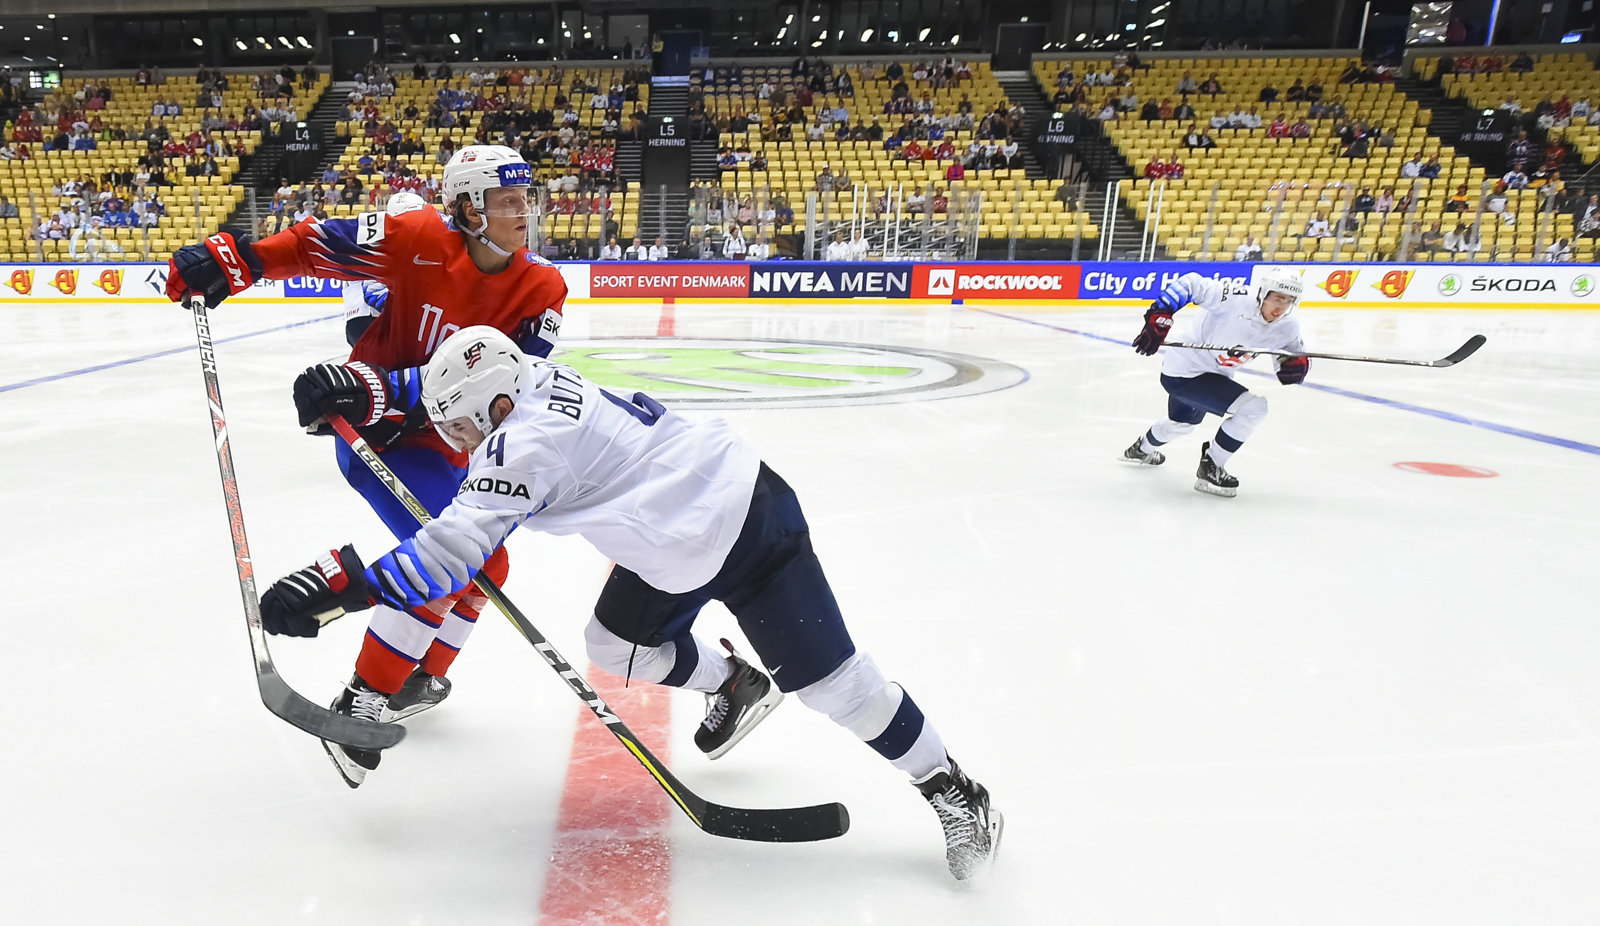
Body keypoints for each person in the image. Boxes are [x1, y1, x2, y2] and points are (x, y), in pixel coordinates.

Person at [255, 325, 1003, 880]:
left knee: (837, 688)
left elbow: (451, 555)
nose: (451, 440)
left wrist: (338, 583)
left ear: (499, 409)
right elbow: (451, 381)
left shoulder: (524, 445)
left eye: (459, 427)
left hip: (748, 527)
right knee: (617, 647)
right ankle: (735, 682)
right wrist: (372, 391)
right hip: (680, 537)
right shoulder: (529, 377)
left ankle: (953, 787)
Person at [163, 146, 569, 742]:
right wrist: (240, 260)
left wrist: (379, 384)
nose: (523, 213)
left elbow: (512, 389)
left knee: (490, 562)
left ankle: (419, 679)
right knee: (456, 559)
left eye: (524, 200)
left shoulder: (541, 287)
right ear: (467, 208)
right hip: (379, 434)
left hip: (445, 437)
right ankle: (365, 694)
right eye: (507, 201)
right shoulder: (418, 235)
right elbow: (318, 243)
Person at [1120, 268, 1309, 498]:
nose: (1281, 306)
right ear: (1264, 292)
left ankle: (1140, 450)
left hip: (1214, 376)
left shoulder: (1288, 326)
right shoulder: (1236, 298)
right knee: (1254, 408)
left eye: (1289, 300)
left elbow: (1291, 356)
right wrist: (1161, 314)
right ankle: (1211, 466)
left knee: (1181, 424)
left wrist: (1295, 366)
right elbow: (1190, 283)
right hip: (1184, 371)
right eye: (1277, 297)